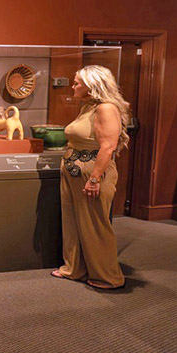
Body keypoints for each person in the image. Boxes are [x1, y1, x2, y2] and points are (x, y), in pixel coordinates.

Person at [52, 65, 131, 290]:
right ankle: (74, 268)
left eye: (77, 82)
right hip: (73, 169)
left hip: (92, 171)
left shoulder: (105, 108)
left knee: (95, 224)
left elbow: (108, 147)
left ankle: (108, 276)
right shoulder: (88, 106)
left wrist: (95, 178)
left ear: (91, 85)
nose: (73, 86)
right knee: (73, 222)